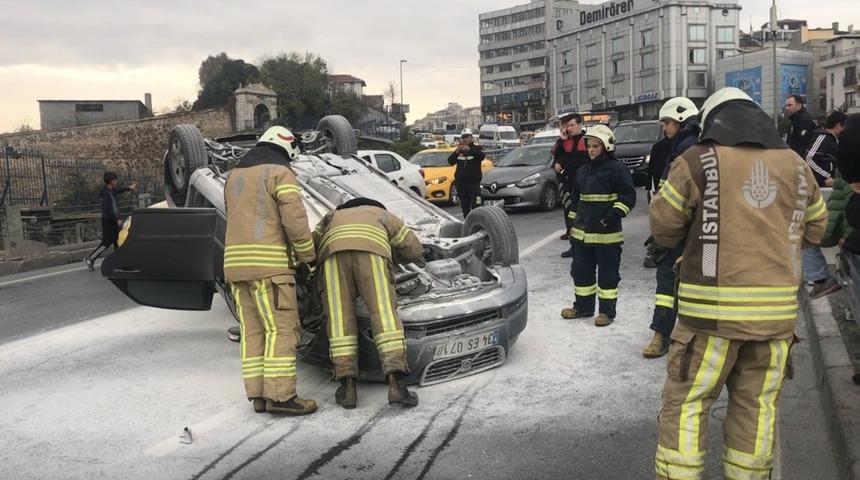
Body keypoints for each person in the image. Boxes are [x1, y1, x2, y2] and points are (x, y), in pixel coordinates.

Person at [650, 87, 827, 480]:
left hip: (708, 320)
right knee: (757, 408)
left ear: (713, 120)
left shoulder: (696, 160)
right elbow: (817, 229)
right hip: (776, 322)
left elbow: (663, 228)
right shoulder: (797, 165)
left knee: (688, 403)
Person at [223, 126, 318, 416]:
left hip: (235, 268)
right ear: (286, 147)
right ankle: (281, 397)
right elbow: (295, 219)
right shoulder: (279, 172)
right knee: (281, 329)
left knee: (253, 331)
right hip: (270, 268)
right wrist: (308, 257)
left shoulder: (234, 175)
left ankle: (259, 396)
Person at [313, 197, 423, 409]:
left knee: (339, 322)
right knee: (384, 317)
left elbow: (311, 244)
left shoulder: (332, 216)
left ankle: (348, 389)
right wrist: (393, 256)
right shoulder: (382, 215)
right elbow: (414, 249)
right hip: (371, 256)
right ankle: (396, 385)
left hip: (332, 259)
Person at [560, 124, 636, 327]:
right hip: (582, 235)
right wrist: (572, 223)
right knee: (581, 271)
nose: (591, 150)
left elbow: (628, 198)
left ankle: (606, 313)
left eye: (596, 146)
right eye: (589, 146)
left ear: (606, 146)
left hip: (607, 236)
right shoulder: (583, 171)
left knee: (608, 276)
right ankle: (583, 308)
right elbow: (576, 200)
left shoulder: (617, 170)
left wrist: (611, 216)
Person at [642, 97, 700, 358]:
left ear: (681, 120)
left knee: (669, 281)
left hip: (685, 231)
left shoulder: (689, 151)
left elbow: (681, 198)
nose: (664, 128)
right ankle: (669, 334)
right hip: (681, 229)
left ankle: (663, 334)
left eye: (666, 122)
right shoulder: (681, 148)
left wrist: (667, 236)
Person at [801, 110, 846, 299]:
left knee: (809, 233)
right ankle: (819, 277)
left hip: (832, 192)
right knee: (811, 231)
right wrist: (824, 177)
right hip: (822, 189)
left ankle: (819, 277)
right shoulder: (823, 138)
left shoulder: (836, 141)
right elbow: (810, 158)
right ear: (837, 126)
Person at [552, 113, 590, 258]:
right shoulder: (564, 142)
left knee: (585, 214)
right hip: (568, 183)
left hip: (585, 183)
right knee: (569, 214)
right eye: (567, 126)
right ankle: (574, 245)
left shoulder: (587, 140)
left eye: (572, 125)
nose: (569, 128)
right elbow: (556, 156)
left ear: (580, 125)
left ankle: (587, 245)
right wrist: (561, 141)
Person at [85, 172, 135, 271]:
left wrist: (129, 188)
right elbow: (109, 209)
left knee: (118, 240)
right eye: (115, 180)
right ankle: (90, 258)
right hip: (109, 221)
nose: (116, 182)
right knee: (106, 242)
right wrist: (117, 219)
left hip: (110, 220)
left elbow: (118, 191)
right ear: (112, 181)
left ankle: (119, 262)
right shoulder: (107, 194)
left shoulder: (109, 191)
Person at [447, 128, 486, 218]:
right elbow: (450, 161)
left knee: (477, 206)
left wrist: (469, 150)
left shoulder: (477, 148)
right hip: (461, 184)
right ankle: (467, 225)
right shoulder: (459, 151)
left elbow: (481, 156)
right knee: (465, 208)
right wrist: (456, 152)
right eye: (463, 137)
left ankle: (478, 225)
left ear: (471, 138)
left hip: (473, 184)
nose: (465, 139)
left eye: (467, 137)